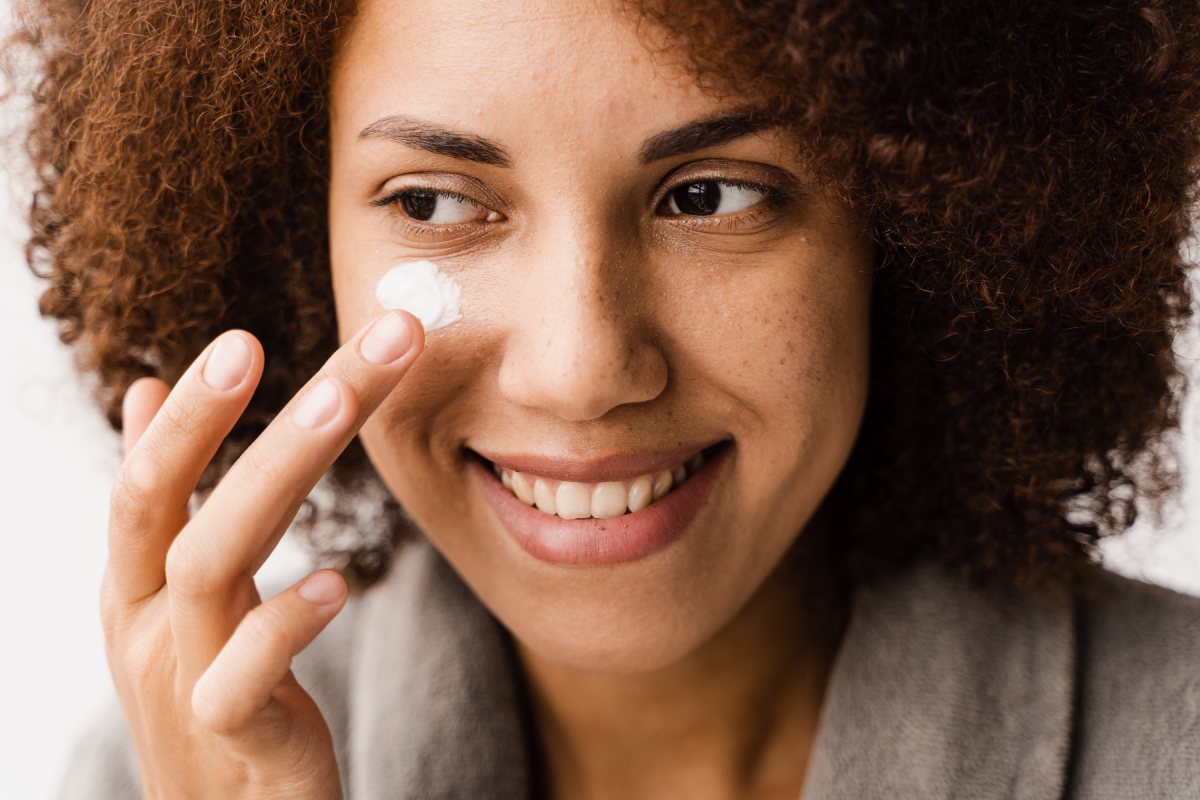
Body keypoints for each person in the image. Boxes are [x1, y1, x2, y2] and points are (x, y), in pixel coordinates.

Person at [6, 0, 1200, 797]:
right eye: (431, 202)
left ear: (915, 224)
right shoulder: (166, 776)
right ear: (289, 235)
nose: (581, 371)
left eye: (710, 197)